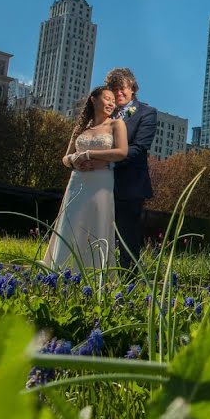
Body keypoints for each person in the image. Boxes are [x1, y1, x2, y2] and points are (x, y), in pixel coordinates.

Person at [79, 68, 157, 270]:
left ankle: (128, 282)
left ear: (132, 88)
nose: (118, 93)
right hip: (96, 182)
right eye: (114, 89)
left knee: (127, 238)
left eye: (122, 88)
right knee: (92, 232)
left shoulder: (146, 113)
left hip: (129, 186)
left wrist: (107, 162)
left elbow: (139, 148)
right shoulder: (104, 112)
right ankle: (91, 272)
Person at [44, 86, 128, 270]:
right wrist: (75, 159)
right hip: (77, 181)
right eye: (107, 98)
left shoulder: (116, 124)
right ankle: (61, 270)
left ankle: (93, 273)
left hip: (101, 181)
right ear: (94, 99)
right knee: (70, 224)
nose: (111, 103)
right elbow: (65, 158)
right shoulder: (81, 127)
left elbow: (122, 152)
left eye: (113, 101)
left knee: (96, 225)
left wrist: (89, 154)